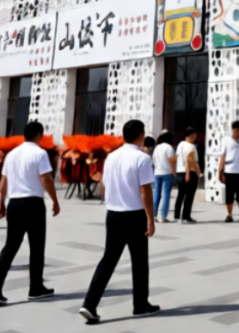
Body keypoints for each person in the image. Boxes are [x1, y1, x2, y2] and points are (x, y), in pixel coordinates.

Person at [79, 119, 159, 323]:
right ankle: (140, 305)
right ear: (140, 134)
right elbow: (145, 189)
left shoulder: (111, 157)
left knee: (108, 260)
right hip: (134, 215)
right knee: (139, 261)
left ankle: (89, 304)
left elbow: (103, 186)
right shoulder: (142, 159)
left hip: (113, 214)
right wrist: (151, 218)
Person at [0, 121, 60, 305]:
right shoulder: (39, 153)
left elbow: (4, 180)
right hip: (33, 204)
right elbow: (46, 178)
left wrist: (2, 203)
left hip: (14, 203)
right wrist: (55, 200)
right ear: (39, 134)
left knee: (10, 246)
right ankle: (35, 288)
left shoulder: (11, 154)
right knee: (37, 247)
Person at [217, 120, 239, 223]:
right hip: (229, 172)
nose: (238, 133)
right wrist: (220, 172)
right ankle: (229, 215)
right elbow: (222, 156)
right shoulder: (226, 140)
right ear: (234, 130)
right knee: (229, 195)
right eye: (236, 131)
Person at [173, 127, 201, 223]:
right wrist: (190, 174)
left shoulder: (180, 144)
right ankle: (186, 216)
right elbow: (189, 161)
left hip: (180, 171)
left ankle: (176, 216)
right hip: (189, 172)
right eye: (195, 135)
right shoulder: (191, 146)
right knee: (189, 195)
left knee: (180, 194)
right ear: (192, 136)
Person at [151, 130, 176, 224]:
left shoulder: (157, 147)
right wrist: (174, 172)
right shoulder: (169, 147)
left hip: (157, 172)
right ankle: (163, 216)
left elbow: (153, 159)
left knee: (156, 193)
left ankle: (153, 215)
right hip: (167, 172)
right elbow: (172, 161)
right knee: (166, 194)